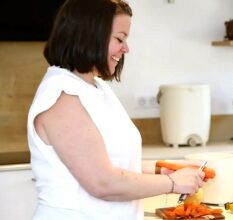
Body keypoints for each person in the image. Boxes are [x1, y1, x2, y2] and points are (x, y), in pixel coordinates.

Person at [27, 0, 205, 219]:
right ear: (90, 35)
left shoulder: (96, 87)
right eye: (119, 39)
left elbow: (114, 163)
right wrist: (172, 183)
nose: (126, 48)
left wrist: (163, 169)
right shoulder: (62, 96)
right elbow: (103, 182)